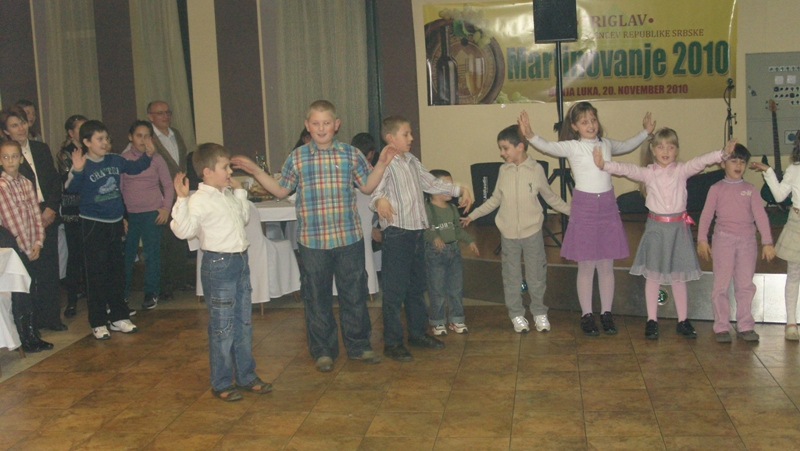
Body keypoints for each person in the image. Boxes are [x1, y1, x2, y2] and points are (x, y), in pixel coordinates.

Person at [232, 100, 395, 372]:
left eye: (326, 123)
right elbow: (281, 190)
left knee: (354, 294)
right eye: (316, 123)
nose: (321, 128)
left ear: (336, 125)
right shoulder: (297, 157)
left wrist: (381, 164)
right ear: (307, 126)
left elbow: (367, 187)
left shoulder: (350, 154)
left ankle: (359, 345)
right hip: (313, 241)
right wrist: (256, 171)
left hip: (348, 238)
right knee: (317, 298)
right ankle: (323, 350)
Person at [518, 103, 655, 335]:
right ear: (574, 126)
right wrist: (530, 134)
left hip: (607, 205)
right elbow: (549, 147)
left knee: (606, 264)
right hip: (585, 207)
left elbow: (626, 145)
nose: (590, 125)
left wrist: (645, 132)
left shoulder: (606, 144)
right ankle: (587, 314)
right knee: (586, 264)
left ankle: (607, 313)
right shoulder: (573, 146)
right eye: (584, 122)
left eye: (593, 120)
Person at [594, 129, 736, 339]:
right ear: (653, 150)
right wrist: (605, 165)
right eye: (660, 147)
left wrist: (722, 153)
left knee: (678, 277)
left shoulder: (682, 170)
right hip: (656, 230)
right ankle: (652, 320)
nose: (665, 151)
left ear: (676, 150)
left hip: (678, 229)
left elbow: (701, 161)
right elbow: (627, 169)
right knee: (653, 276)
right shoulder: (648, 173)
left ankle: (683, 320)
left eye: (670, 147)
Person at [171, 143, 272, 402]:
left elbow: (243, 218)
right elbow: (183, 231)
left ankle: (246, 375)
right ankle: (222, 381)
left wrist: (239, 194)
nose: (229, 172)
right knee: (222, 327)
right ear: (207, 172)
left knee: (243, 323)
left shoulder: (226, 195)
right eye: (225, 167)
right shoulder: (199, 200)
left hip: (239, 262)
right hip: (219, 265)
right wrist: (181, 199)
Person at [372, 115, 473, 362]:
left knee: (416, 288)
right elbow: (372, 188)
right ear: (390, 138)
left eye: (410, 133)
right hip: (397, 233)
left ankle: (417, 334)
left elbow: (432, 183)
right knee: (394, 291)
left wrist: (459, 189)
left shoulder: (412, 161)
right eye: (406, 134)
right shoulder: (385, 164)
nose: (411, 138)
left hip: (417, 232)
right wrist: (379, 200)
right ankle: (393, 342)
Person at [462, 125, 570, 333]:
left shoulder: (536, 170)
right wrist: (473, 215)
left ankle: (539, 312)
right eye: (500, 148)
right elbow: (495, 199)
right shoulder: (504, 171)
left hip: (532, 233)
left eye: (505, 148)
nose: (501, 153)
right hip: (509, 235)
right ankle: (516, 314)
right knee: (511, 277)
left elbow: (551, 197)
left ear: (520, 146)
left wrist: (573, 212)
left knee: (536, 275)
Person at [65, 120, 154, 340]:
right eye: (99, 139)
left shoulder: (115, 160)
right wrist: (77, 170)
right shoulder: (82, 163)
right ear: (87, 142)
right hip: (93, 224)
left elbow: (135, 168)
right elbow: (70, 189)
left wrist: (148, 155)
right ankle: (98, 321)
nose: (105, 143)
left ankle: (118, 317)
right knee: (96, 274)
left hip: (115, 223)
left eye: (106, 138)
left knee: (117, 272)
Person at [698, 144, 775, 343]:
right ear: (723, 163)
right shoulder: (716, 189)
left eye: (742, 162)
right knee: (721, 285)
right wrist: (702, 239)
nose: (738, 165)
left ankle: (745, 325)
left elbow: (761, 216)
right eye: (733, 161)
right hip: (723, 240)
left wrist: (767, 241)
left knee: (745, 285)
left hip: (747, 242)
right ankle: (722, 326)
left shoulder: (750, 190)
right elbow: (706, 215)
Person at [0, 106, 65, 332]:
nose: (21, 128)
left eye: (23, 123)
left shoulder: (40, 148)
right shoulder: (6, 157)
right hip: (21, 219)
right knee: (28, 273)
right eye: (14, 125)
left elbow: (54, 181)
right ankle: (31, 325)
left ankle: (51, 318)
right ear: (6, 131)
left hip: (47, 213)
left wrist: (51, 208)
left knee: (49, 269)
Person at [0, 140, 52, 352]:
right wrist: (25, 247)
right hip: (15, 248)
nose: (10, 161)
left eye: (14, 156)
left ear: (21, 159)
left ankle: (33, 334)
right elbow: (11, 221)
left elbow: (36, 216)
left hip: (32, 245)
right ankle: (25, 337)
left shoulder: (26, 183)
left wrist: (38, 241)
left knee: (32, 290)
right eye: (5, 157)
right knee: (21, 294)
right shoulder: (2, 186)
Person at [751, 136, 800, 341]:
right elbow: (780, 196)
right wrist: (769, 172)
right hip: (797, 221)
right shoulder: (794, 169)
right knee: (794, 273)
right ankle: (791, 322)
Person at [121, 121, 173, 311]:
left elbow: (168, 185)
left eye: (147, 136)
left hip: (153, 213)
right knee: (127, 256)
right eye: (139, 136)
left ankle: (151, 293)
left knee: (152, 255)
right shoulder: (123, 159)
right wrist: (121, 216)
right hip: (130, 215)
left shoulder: (157, 159)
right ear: (130, 137)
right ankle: (122, 295)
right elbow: (118, 188)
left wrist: (166, 208)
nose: (143, 140)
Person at [147, 100, 192, 299]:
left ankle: (180, 280)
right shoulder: (148, 137)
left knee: (179, 239)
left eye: (167, 112)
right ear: (150, 116)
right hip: (160, 196)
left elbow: (181, 163)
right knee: (163, 243)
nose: (165, 116)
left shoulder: (176, 134)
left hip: (178, 193)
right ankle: (165, 285)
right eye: (160, 113)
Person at [425, 169, 479, 335]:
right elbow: (425, 228)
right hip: (436, 254)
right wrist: (434, 237)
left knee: (456, 288)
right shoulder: (427, 209)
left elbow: (457, 230)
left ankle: (456, 319)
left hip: (454, 252)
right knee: (437, 289)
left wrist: (470, 240)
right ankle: (438, 321)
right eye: (446, 185)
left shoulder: (452, 208)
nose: (451, 189)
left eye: (451, 185)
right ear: (433, 189)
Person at [57, 115, 88, 318]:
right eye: (80, 128)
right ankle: (71, 300)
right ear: (70, 132)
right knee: (75, 255)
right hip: (73, 208)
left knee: (91, 253)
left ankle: (93, 295)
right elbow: (70, 178)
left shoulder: (91, 148)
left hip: (90, 206)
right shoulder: (64, 153)